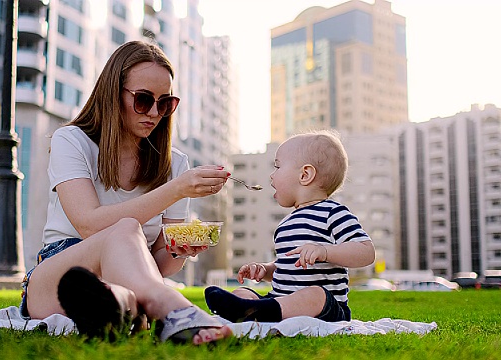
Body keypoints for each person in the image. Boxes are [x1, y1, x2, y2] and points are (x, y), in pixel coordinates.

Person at [19, 40, 233, 344]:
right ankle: (174, 310)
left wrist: (175, 250)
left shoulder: (175, 164)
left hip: (131, 278)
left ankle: (121, 308)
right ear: (113, 93)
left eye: (165, 103)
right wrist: (176, 190)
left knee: (125, 293)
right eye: (143, 100)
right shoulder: (73, 140)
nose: (155, 113)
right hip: (60, 276)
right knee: (126, 229)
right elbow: (89, 224)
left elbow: (161, 264)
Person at [204, 130, 375, 323]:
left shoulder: (333, 213)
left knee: (315, 294)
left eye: (277, 167)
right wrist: (266, 270)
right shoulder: (287, 223)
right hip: (281, 299)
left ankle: (253, 312)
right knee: (242, 292)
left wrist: (325, 251)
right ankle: (248, 309)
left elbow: (366, 252)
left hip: (327, 308)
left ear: (305, 174)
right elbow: (287, 268)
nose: (271, 176)